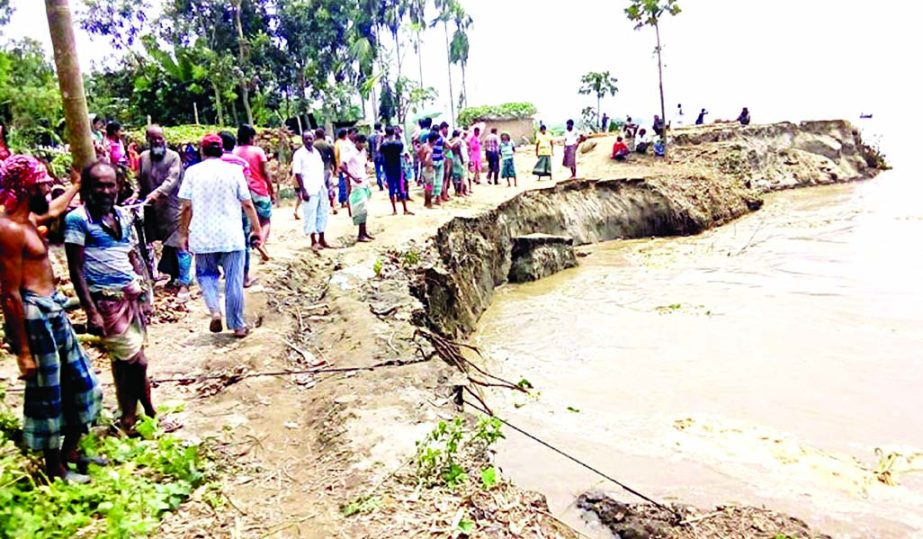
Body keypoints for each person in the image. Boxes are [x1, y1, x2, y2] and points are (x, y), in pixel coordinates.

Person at [0, 155, 102, 483]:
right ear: (27, 187)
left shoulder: (28, 218)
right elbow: (10, 294)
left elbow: (54, 209)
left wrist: (74, 186)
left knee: (83, 384)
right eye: (42, 183)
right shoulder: (9, 230)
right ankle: (55, 467)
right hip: (34, 316)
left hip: (52, 309)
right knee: (48, 394)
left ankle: (71, 451)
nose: (48, 187)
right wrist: (23, 351)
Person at [65, 161, 155, 434]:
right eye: (99, 185)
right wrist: (91, 311)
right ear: (88, 189)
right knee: (137, 361)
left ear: (118, 187)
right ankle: (149, 412)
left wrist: (146, 293)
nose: (105, 191)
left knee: (127, 361)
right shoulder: (77, 220)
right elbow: (75, 268)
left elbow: (131, 255)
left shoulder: (123, 216)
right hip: (106, 301)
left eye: (110, 185)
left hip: (131, 296)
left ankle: (129, 418)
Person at [179, 134, 262, 338]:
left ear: (202, 151)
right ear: (222, 149)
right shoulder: (234, 171)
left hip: (202, 234)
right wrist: (257, 228)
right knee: (234, 280)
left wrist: (183, 233)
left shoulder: (192, 172)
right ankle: (238, 325)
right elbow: (247, 203)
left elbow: (187, 207)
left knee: (206, 275)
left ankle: (215, 311)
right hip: (231, 235)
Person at [138, 125, 190, 298]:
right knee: (166, 246)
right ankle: (173, 277)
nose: (158, 141)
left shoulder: (173, 157)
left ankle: (184, 283)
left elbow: (172, 179)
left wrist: (157, 193)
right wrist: (135, 195)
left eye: (160, 138)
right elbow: (140, 181)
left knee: (180, 245)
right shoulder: (143, 158)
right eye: (154, 139)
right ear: (148, 140)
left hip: (174, 208)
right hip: (153, 211)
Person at [218, 131, 261, 289]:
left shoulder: (212, 164)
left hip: (218, 208)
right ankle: (244, 277)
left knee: (221, 240)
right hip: (239, 208)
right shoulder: (241, 164)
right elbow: (247, 186)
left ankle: (227, 272)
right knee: (243, 241)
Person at [234, 125, 275, 249]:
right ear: (251, 137)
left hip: (241, 191)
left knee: (245, 221)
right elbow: (266, 173)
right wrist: (271, 191)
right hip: (259, 191)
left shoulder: (234, 152)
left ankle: (248, 242)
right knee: (265, 220)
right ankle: (261, 242)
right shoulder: (258, 151)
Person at [292, 130, 331, 251]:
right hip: (309, 189)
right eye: (306, 139)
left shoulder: (316, 153)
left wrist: (328, 187)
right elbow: (297, 173)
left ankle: (322, 239)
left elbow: (321, 170)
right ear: (303, 140)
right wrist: (303, 190)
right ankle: (313, 241)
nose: (309, 141)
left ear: (313, 138)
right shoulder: (299, 154)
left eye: (310, 138)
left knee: (323, 212)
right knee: (310, 214)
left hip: (320, 187)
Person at [340, 134, 374, 242]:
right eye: (361, 142)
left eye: (364, 142)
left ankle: (364, 232)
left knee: (364, 209)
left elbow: (363, 165)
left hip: (364, 182)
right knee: (360, 209)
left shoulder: (363, 152)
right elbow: (342, 166)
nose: (363, 144)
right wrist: (353, 177)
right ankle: (361, 234)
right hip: (356, 184)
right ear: (356, 142)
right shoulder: (351, 153)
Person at [380, 126, 412, 215]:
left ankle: (394, 210)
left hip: (388, 169)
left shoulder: (384, 145)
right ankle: (405, 209)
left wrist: (381, 139)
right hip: (398, 168)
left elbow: (379, 150)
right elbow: (402, 150)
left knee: (391, 190)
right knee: (401, 188)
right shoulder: (398, 144)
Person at [312, 127, 338, 217]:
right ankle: (334, 206)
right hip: (327, 168)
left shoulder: (313, 146)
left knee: (319, 189)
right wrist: (335, 168)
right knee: (330, 187)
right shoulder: (327, 145)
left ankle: (321, 208)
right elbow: (333, 157)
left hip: (317, 171)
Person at [334, 128, 350, 211]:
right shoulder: (339, 144)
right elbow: (336, 156)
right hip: (341, 166)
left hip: (344, 166)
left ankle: (345, 200)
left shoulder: (340, 143)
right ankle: (343, 200)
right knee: (342, 184)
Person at [420, 132, 436, 208]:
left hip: (424, 168)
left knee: (427, 187)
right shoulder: (430, 149)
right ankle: (429, 203)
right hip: (428, 169)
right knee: (429, 187)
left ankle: (426, 202)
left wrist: (422, 160)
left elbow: (419, 153)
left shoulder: (424, 146)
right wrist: (429, 164)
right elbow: (427, 159)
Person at [431, 122, 446, 204]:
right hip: (440, 159)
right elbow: (449, 146)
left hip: (432, 160)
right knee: (439, 179)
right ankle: (438, 198)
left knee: (433, 179)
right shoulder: (441, 138)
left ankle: (431, 196)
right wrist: (444, 153)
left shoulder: (429, 138)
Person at [368, 123, 384, 191]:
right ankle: (385, 182)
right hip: (383, 155)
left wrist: (370, 156)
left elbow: (370, 147)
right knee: (385, 169)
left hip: (375, 155)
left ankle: (380, 184)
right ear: (380, 127)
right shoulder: (382, 135)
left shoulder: (370, 136)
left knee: (378, 171)